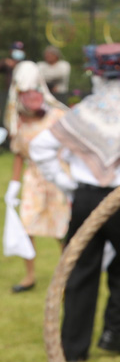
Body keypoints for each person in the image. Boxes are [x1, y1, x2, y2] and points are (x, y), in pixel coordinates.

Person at [29, 42, 120, 361]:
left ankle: (73, 348)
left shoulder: (83, 111)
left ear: (94, 72)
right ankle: (113, 334)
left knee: (81, 266)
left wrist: (69, 185)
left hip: (86, 197)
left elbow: (40, 148)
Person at [4, 61, 70, 292]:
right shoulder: (19, 123)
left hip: (60, 180)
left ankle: (67, 276)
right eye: (26, 93)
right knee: (27, 226)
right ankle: (29, 276)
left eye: (35, 91)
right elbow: (19, 155)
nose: (32, 96)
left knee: (62, 229)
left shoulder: (58, 116)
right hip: (34, 181)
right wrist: (13, 185)